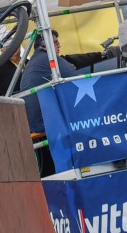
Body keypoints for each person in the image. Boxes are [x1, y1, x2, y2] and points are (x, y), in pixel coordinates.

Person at [20, 30, 118, 177]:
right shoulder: (49, 57)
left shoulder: (36, 60)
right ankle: (106, 162)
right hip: (44, 122)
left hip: (35, 120)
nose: (59, 45)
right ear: (43, 45)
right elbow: (78, 81)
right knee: (99, 113)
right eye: (55, 42)